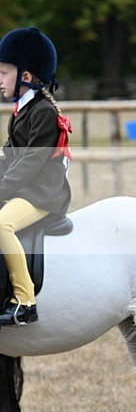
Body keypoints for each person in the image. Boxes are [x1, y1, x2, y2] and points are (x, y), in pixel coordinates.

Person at [0, 27, 71, 326]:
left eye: (3, 73)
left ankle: (25, 301)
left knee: (1, 225)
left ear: (25, 77)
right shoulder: (20, 109)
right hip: (26, 187)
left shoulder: (42, 112)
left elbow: (29, 162)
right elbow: (10, 154)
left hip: (43, 192)